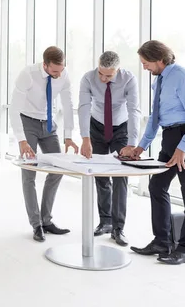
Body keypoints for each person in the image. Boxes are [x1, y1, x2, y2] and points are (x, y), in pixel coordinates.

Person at [125, 40, 185, 265]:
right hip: (170, 137)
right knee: (157, 186)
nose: (144, 68)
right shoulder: (160, 81)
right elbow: (155, 117)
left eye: (146, 63)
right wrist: (140, 147)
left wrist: (182, 148)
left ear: (159, 59)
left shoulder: (181, 76)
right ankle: (162, 241)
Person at [9, 46, 79, 242]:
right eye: (55, 70)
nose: (59, 73)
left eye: (61, 69)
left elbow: (67, 104)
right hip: (27, 122)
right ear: (45, 64)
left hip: (48, 125)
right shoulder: (28, 74)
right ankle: (36, 223)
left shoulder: (63, 75)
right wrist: (22, 140)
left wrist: (68, 136)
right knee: (29, 173)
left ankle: (46, 219)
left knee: (58, 169)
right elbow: (14, 109)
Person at [78, 51, 140, 247]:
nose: (104, 79)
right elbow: (83, 107)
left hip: (121, 128)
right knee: (100, 175)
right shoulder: (88, 78)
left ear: (118, 70)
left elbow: (134, 110)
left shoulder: (129, 79)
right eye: (101, 74)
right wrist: (85, 138)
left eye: (109, 76)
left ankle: (118, 228)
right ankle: (105, 221)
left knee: (120, 176)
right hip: (96, 127)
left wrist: (132, 143)